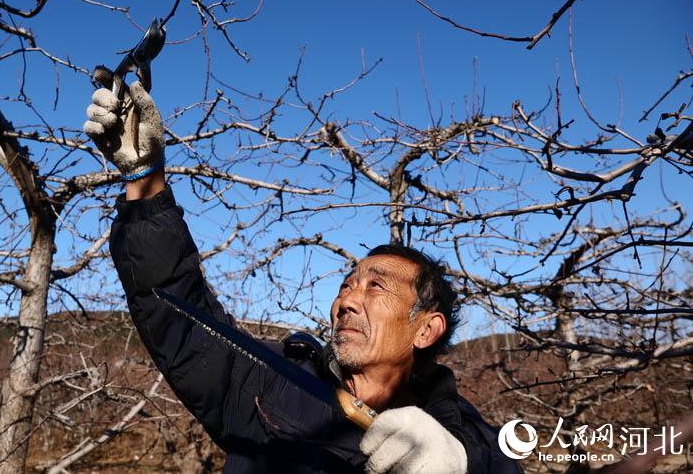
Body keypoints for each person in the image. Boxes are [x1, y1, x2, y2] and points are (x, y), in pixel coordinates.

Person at [84, 78, 523, 474]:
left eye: (376, 286)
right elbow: (175, 309)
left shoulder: (462, 434)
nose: (346, 301)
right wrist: (144, 180)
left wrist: (459, 459)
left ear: (426, 329)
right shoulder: (267, 382)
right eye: (346, 285)